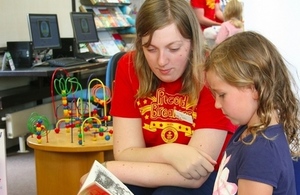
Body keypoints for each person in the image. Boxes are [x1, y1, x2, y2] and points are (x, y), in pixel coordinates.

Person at [81, 0, 236, 194]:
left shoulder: (211, 73)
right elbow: (125, 152)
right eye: (150, 49)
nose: (161, 61)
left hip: (206, 178)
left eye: (174, 48)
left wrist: (111, 169)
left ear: (193, 42)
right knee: (100, 192)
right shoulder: (129, 66)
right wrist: (170, 152)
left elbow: (196, 174)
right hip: (149, 168)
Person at [204, 31, 300, 194]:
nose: (217, 104)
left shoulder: (260, 151)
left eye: (222, 95)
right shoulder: (247, 131)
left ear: (254, 89)